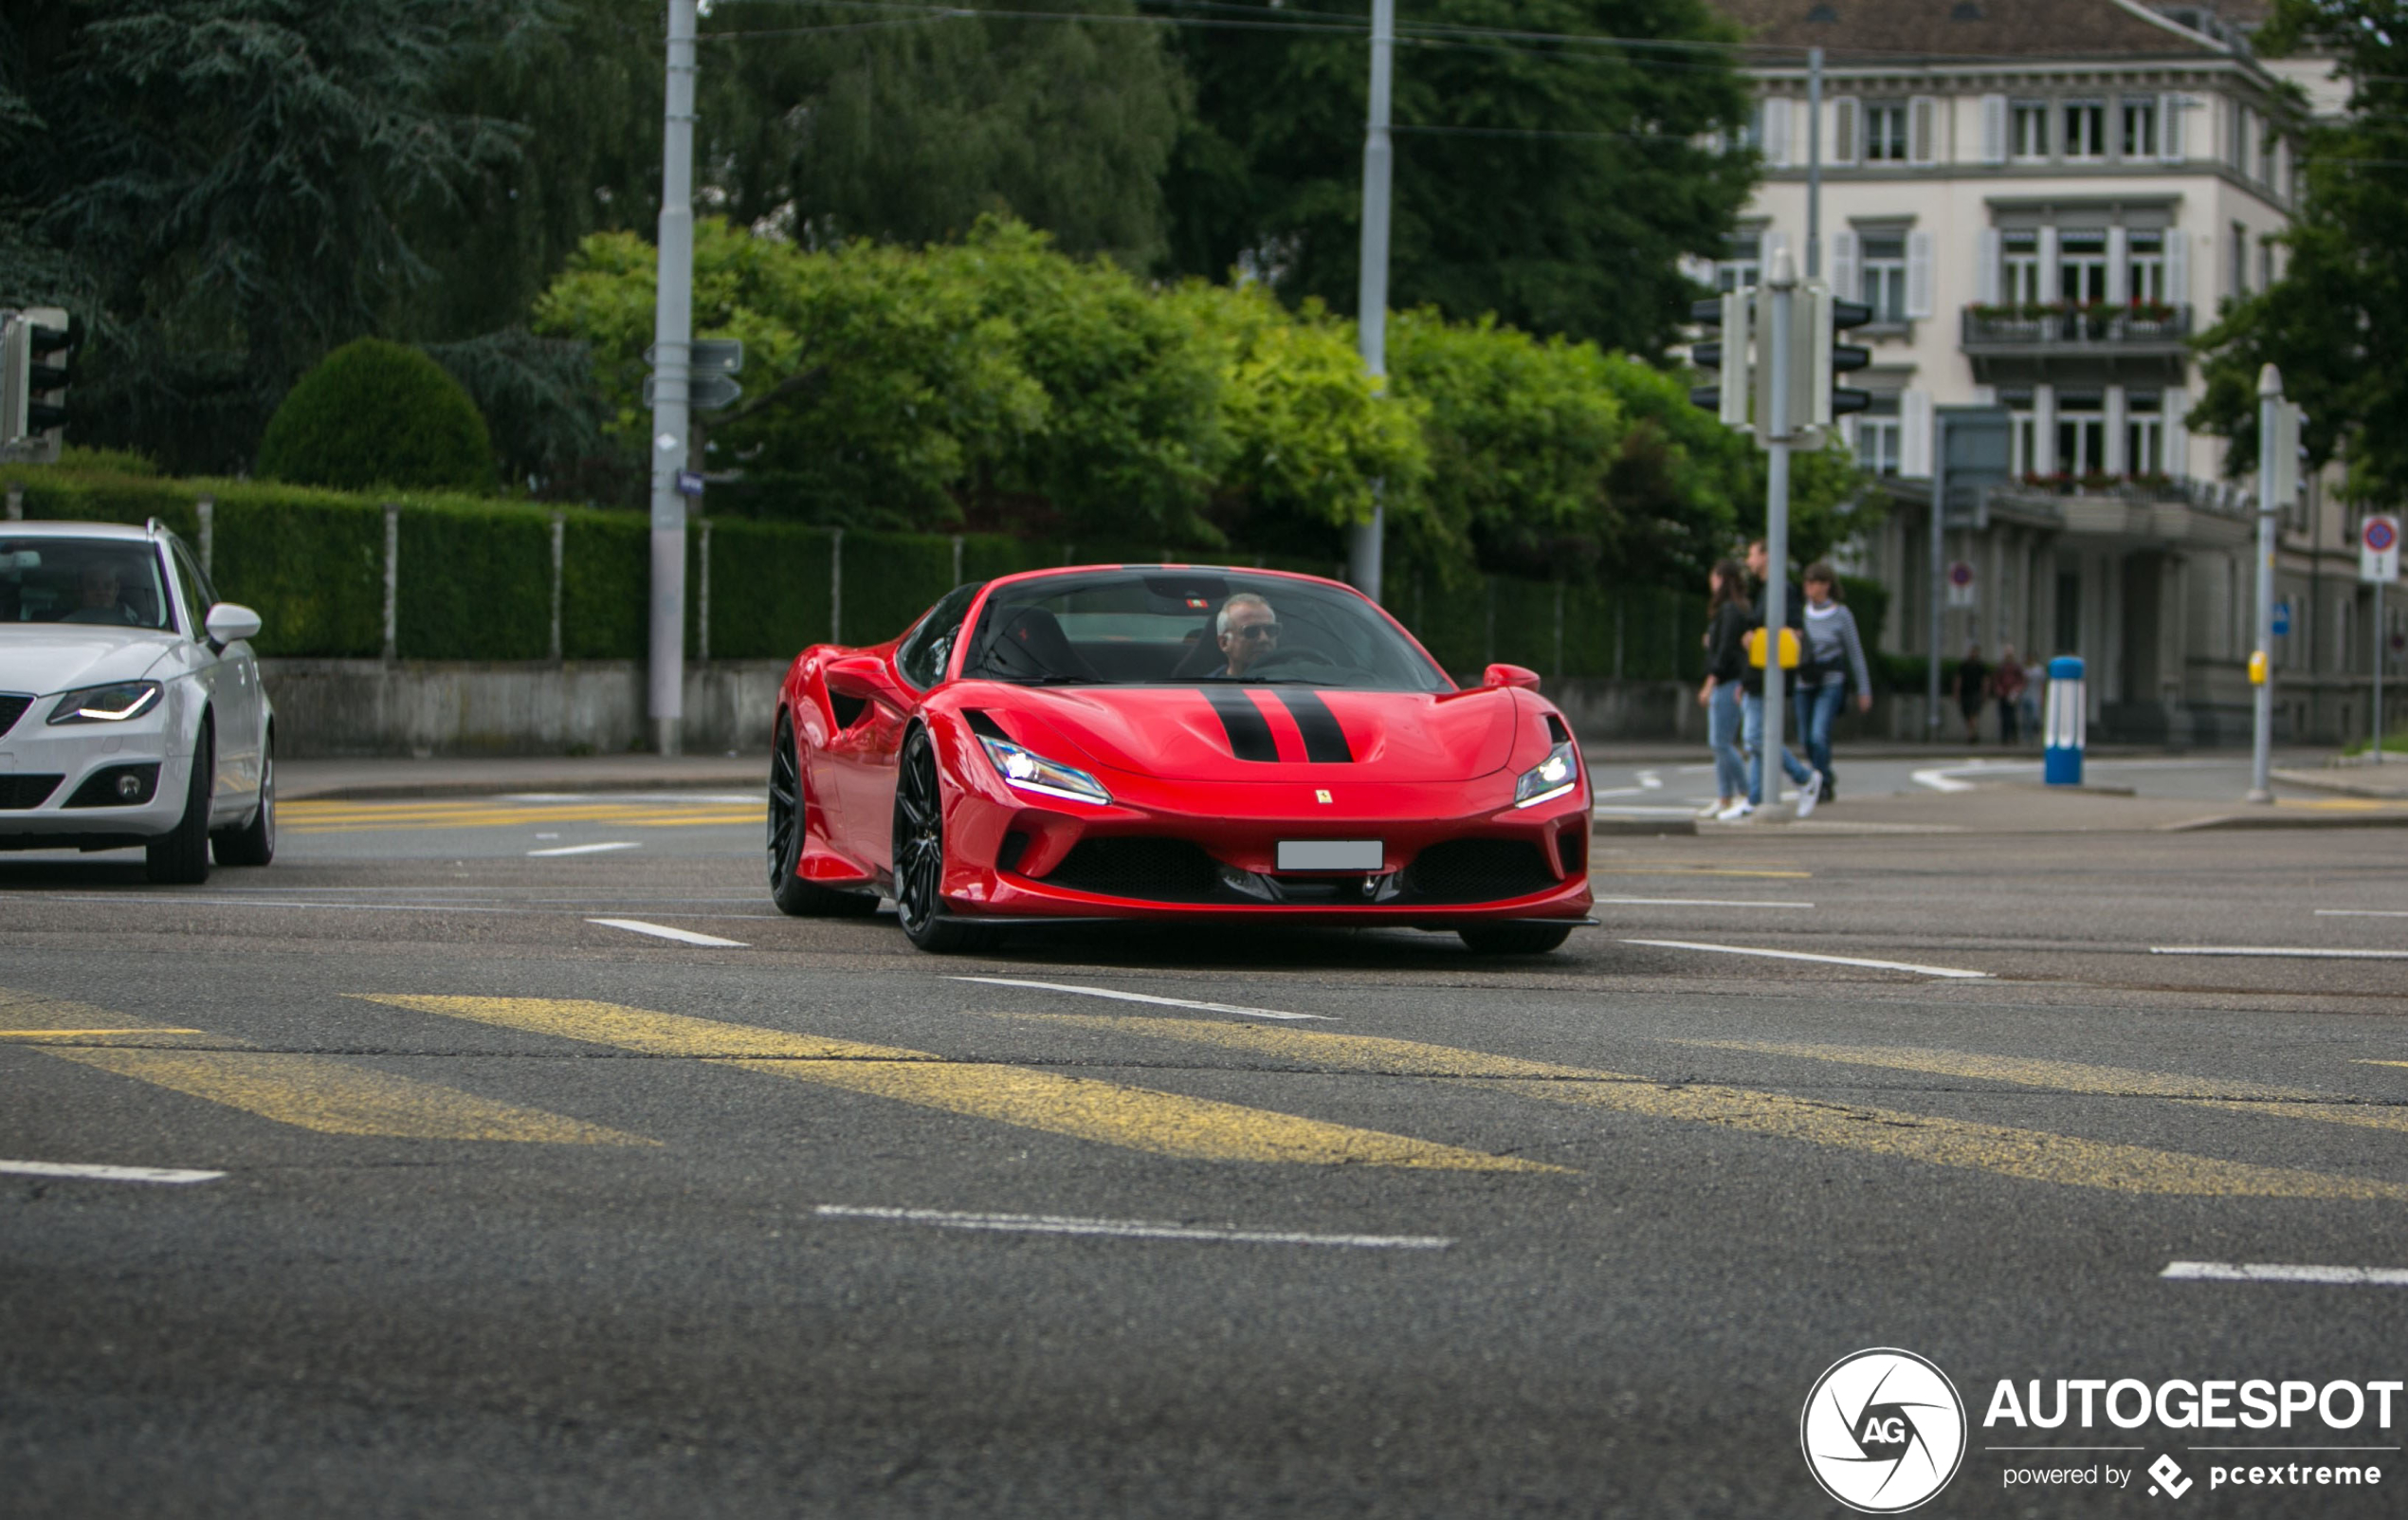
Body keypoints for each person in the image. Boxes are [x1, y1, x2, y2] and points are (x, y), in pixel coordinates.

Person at [1742, 539, 1819, 817]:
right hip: (1757, 672)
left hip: (1769, 674)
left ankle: (1804, 777)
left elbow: (1794, 630)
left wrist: (1758, 637)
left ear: (1766, 556)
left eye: (1752, 555)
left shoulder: (1780, 589)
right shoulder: (1765, 590)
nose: (1748, 561)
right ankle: (1755, 798)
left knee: (1757, 736)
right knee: (1756, 738)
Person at [1797, 563, 1873, 804]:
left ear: (1826, 585)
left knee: (1819, 734)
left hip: (1831, 680)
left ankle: (1823, 783)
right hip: (1804, 680)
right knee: (1805, 738)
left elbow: (1855, 653)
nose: (1808, 587)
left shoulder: (1842, 615)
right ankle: (1824, 774)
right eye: (1806, 582)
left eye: (1814, 582)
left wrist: (1864, 689)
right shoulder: (1799, 614)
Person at [1696, 559, 1752, 819]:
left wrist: (1710, 683)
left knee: (1720, 742)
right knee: (1721, 743)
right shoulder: (1734, 610)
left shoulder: (1729, 612)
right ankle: (1725, 797)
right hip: (1728, 681)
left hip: (1728, 682)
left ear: (1721, 578)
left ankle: (1745, 792)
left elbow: (1725, 652)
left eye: (1713, 576)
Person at [1206, 592, 1278, 678]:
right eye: (1251, 631)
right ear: (1224, 643)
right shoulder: (1203, 689)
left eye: (1270, 630)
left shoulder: (1295, 683)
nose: (1264, 638)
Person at [1992, 643, 2028, 745]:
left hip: (2013, 695)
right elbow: (1996, 680)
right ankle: (2005, 738)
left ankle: (2013, 737)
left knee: (2012, 716)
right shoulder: (2001, 666)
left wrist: (2017, 689)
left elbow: (2022, 680)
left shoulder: (2016, 667)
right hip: (2003, 694)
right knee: (2004, 716)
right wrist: (1998, 689)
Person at [1955, 642, 1990, 743]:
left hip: (1976, 693)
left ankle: (1971, 735)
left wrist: (1985, 694)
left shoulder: (1980, 666)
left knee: (1973, 714)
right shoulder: (1964, 665)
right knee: (1966, 715)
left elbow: (1985, 680)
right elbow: (1958, 679)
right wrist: (1956, 692)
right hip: (1965, 693)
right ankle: (1972, 733)